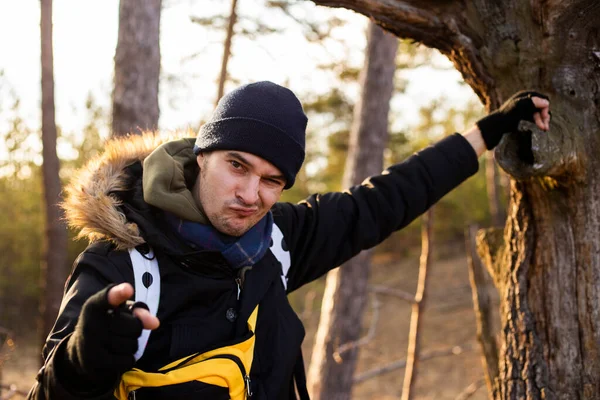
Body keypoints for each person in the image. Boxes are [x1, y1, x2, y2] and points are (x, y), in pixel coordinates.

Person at [27, 81, 550, 400]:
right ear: (200, 155)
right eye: (237, 165)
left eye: (272, 180)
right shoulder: (120, 267)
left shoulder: (275, 241)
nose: (251, 195)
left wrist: (489, 130)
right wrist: (82, 360)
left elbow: (389, 198)